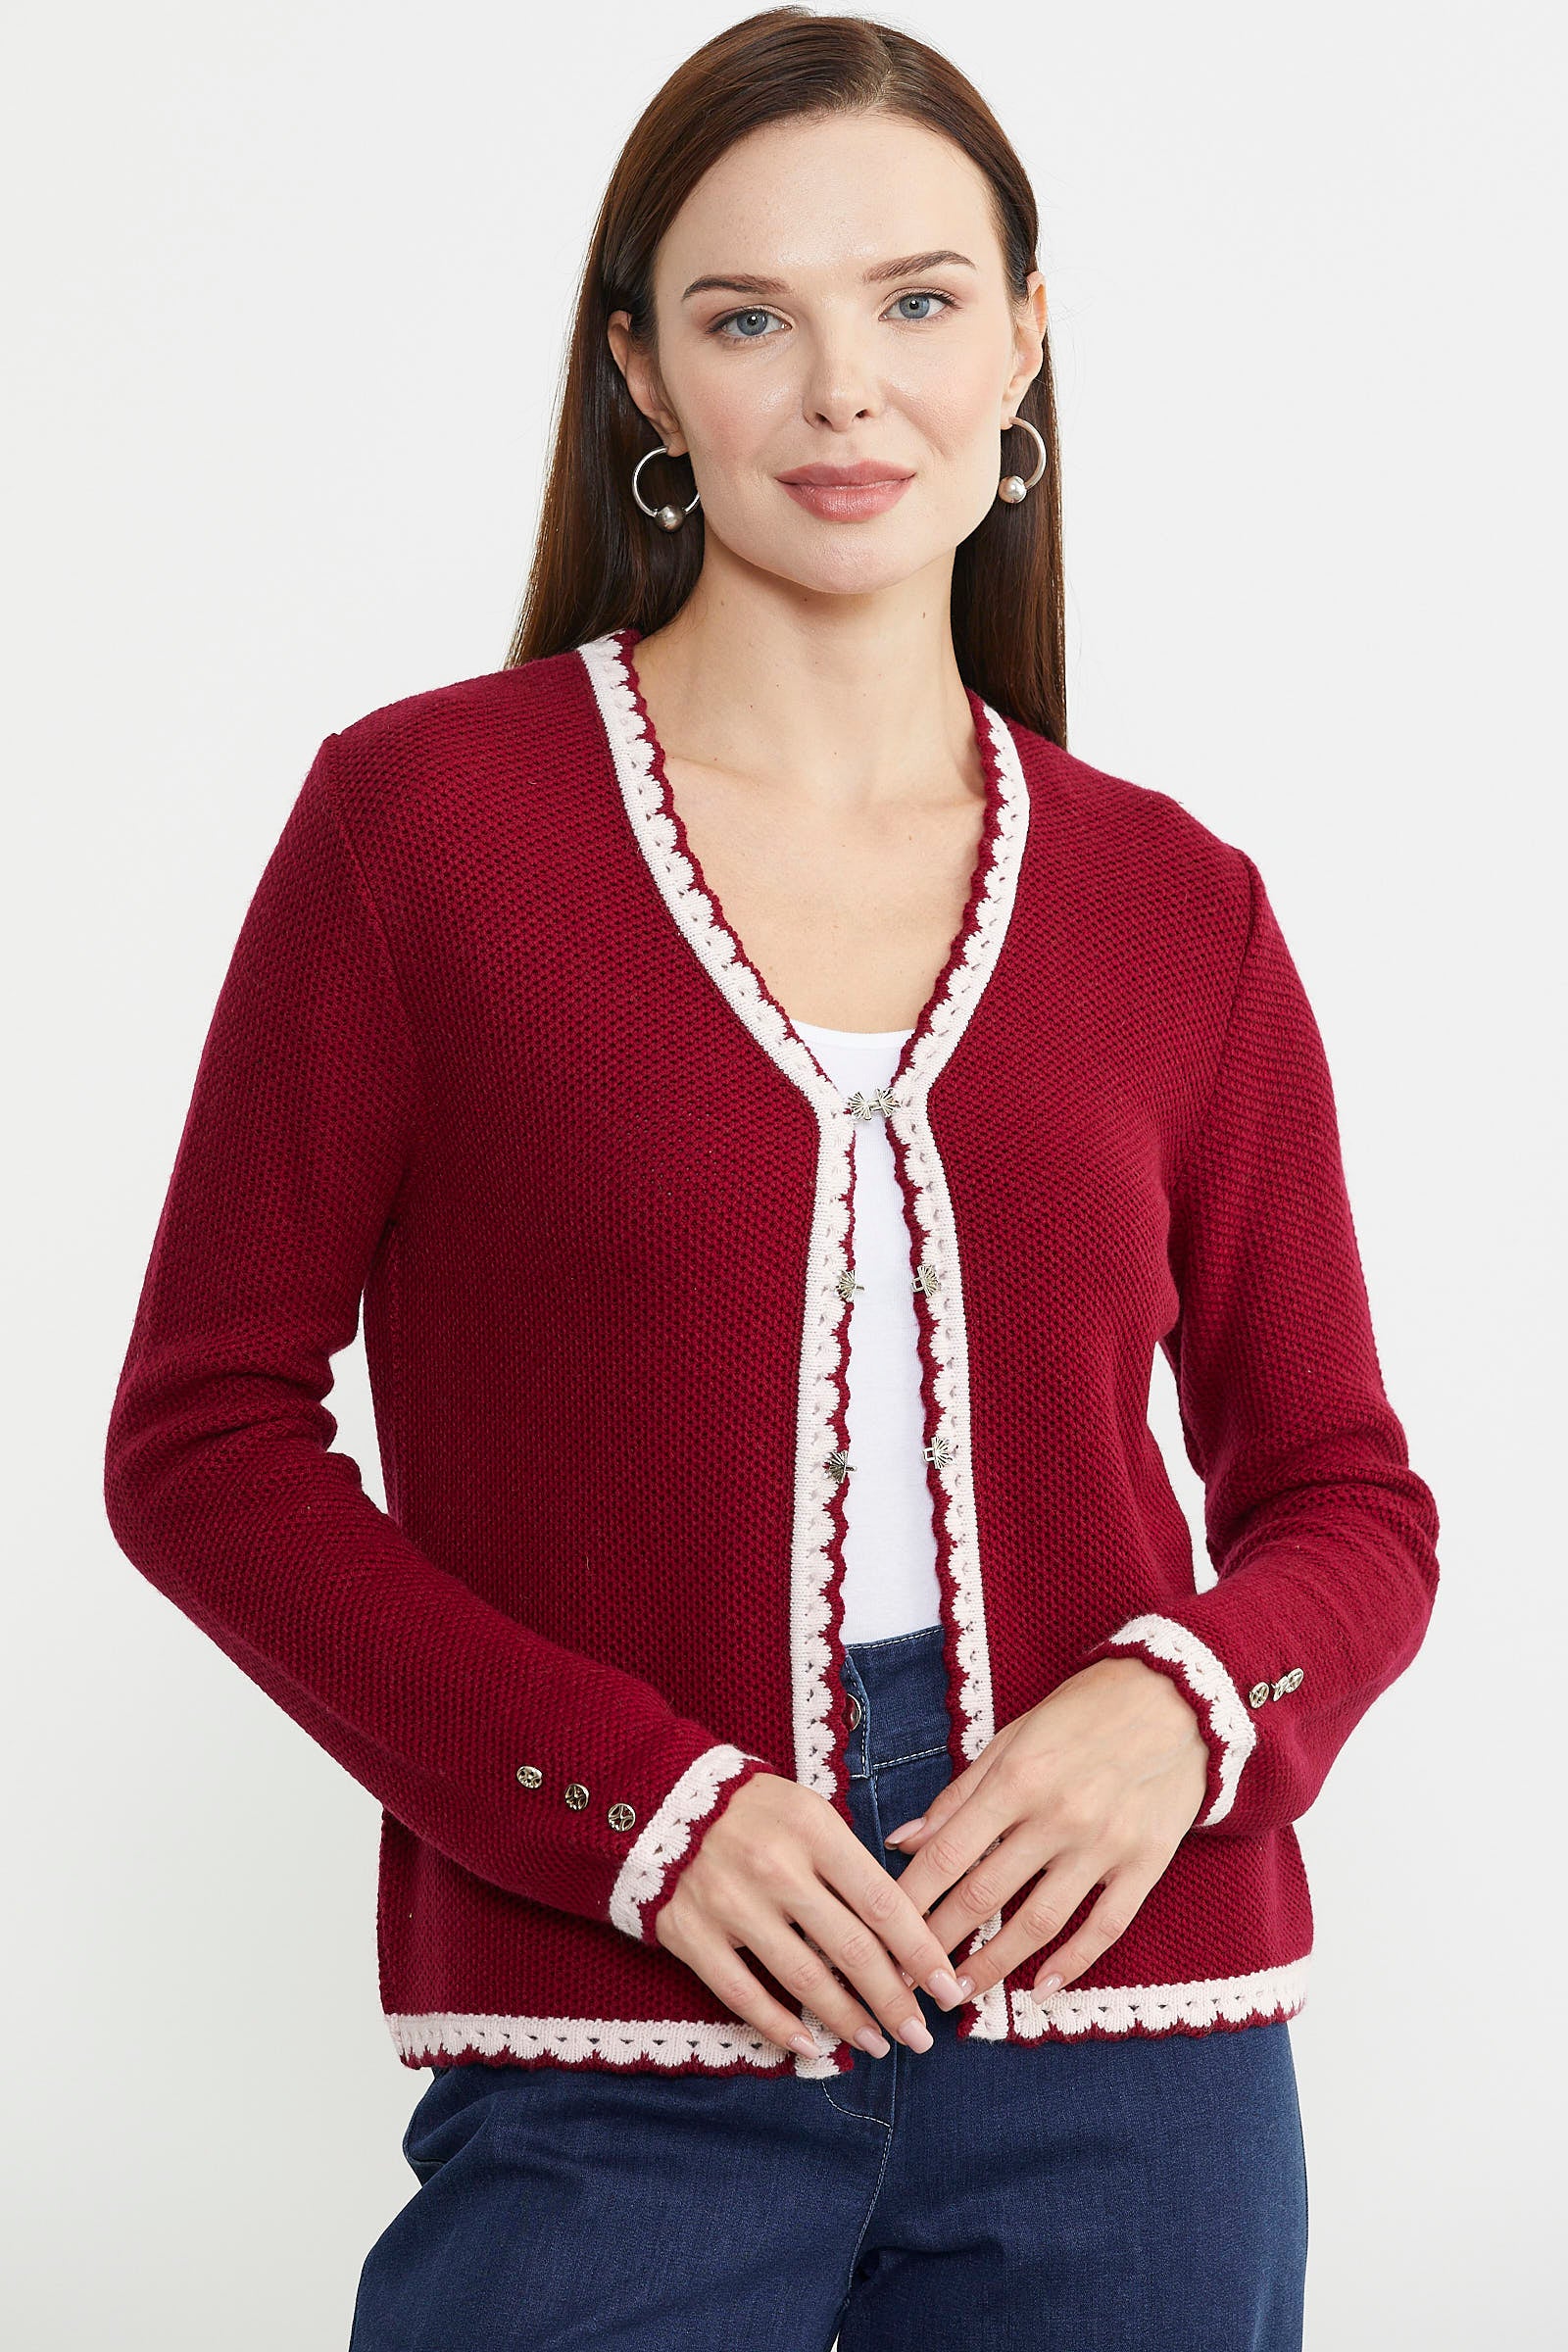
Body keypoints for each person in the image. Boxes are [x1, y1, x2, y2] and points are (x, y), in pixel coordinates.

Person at [103, 9, 1441, 2347]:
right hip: (621, 2022)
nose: (843, 392)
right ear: (638, 370)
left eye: (916, 300)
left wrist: (1180, 1707)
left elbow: (1343, 1494)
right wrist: (631, 1806)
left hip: (1126, 2026)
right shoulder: (424, 834)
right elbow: (201, 1443)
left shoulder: (1175, 909)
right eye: (748, 319)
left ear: (1021, 339)